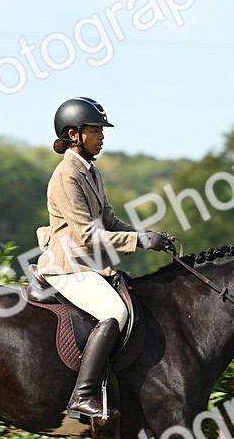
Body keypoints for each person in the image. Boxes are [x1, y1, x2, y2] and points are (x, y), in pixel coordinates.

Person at [35, 97, 174, 422]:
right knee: (115, 312)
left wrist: (146, 235)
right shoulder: (66, 176)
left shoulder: (91, 172)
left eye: (101, 131)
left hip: (87, 265)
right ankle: (83, 396)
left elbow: (109, 222)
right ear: (74, 135)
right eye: (95, 131)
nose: (102, 137)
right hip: (66, 266)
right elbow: (87, 235)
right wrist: (137, 241)